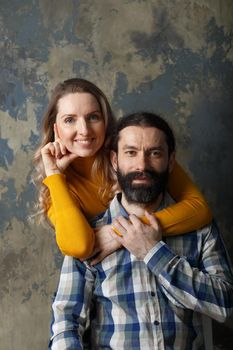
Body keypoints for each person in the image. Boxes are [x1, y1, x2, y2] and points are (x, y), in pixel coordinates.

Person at [49, 112, 233, 349]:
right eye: (131, 152)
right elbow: (66, 323)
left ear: (170, 161)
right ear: (114, 161)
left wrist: (153, 253)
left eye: (154, 153)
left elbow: (226, 304)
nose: (142, 165)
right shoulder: (89, 236)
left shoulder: (200, 230)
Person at [33, 78, 212, 261]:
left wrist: (120, 232)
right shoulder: (57, 188)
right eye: (69, 120)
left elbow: (200, 209)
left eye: (93, 117)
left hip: (168, 257)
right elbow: (79, 246)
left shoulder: (133, 153)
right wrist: (54, 174)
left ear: (105, 121)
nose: (84, 130)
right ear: (56, 128)